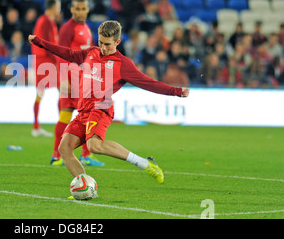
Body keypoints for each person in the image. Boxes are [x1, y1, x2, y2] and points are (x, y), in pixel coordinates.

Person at [28, 20, 189, 186]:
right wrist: (40, 42)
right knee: (64, 148)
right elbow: (67, 53)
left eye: (107, 44)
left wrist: (176, 91)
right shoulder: (90, 53)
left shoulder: (123, 64)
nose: (103, 48)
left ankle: (145, 164)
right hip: (83, 111)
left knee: (94, 146)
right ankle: (87, 186)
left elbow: (149, 83)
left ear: (117, 42)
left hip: (101, 108)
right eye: (100, 43)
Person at [52, 0, 104, 167]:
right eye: (77, 9)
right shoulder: (67, 29)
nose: (81, 12)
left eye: (83, 8)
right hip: (72, 77)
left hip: (84, 77)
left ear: (87, 9)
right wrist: (64, 79)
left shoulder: (87, 28)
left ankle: (62, 156)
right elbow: (61, 54)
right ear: (71, 10)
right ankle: (73, 155)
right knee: (80, 114)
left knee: (72, 114)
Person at [30, 0, 61, 137]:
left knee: (41, 92)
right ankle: (64, 126)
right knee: (63, 89)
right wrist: (57, 59)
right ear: (54, 7)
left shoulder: (43, 20)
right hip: (46, 60)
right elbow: (48, 44)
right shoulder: (47, 21)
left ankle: (36, 126)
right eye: (58, 6)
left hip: (42, 59)